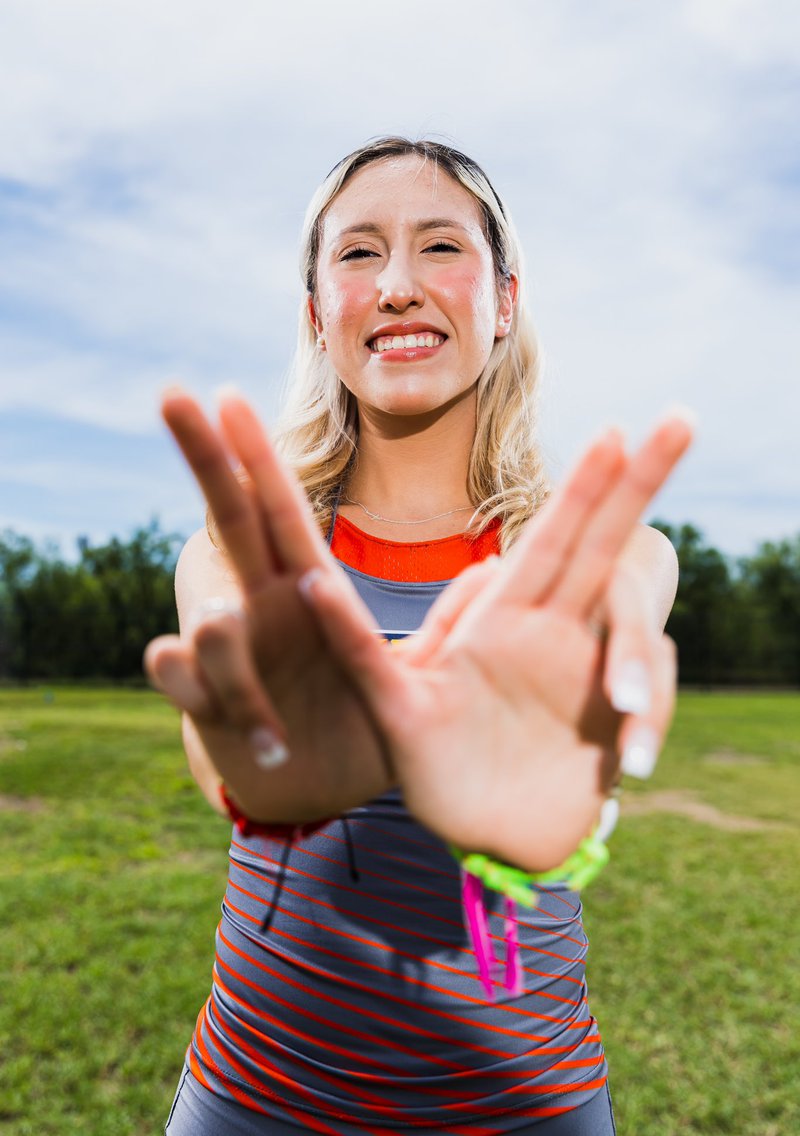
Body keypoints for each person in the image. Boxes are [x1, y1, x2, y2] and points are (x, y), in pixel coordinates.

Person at [146, 137, 691, 1135]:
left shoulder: (606, 557)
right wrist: (273, 763)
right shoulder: (236, 554)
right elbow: (224, 747)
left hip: (528, 1105)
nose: (397, 285)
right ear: (318, 316)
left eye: (440, 246)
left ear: (504, 300)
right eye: (358, 253)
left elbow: (612, 626)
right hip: (254, 1101)